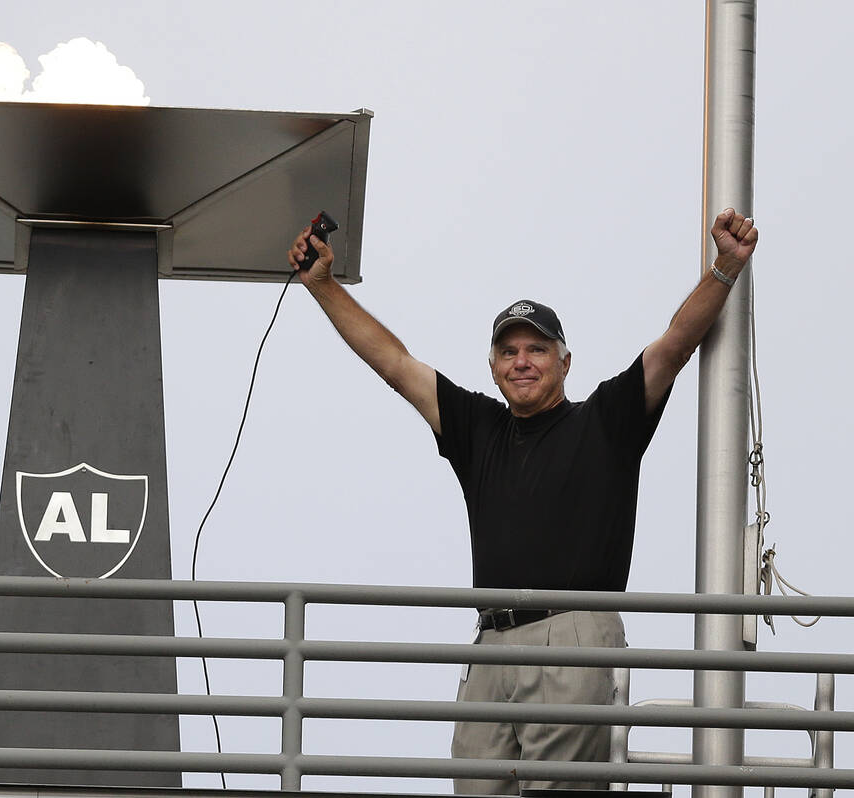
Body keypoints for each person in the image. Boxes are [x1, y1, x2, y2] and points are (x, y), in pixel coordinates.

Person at [287, 209, 758, 795]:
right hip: (490, 642)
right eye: (508, 352)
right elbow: (395, 363)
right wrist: (323, 286)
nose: (522, 361)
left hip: (572, 634)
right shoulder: (478, 427)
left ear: (565, 362)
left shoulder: (605, 420)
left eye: (537, 349)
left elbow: (674, 346)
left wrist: (724, 267)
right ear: (493, 367)